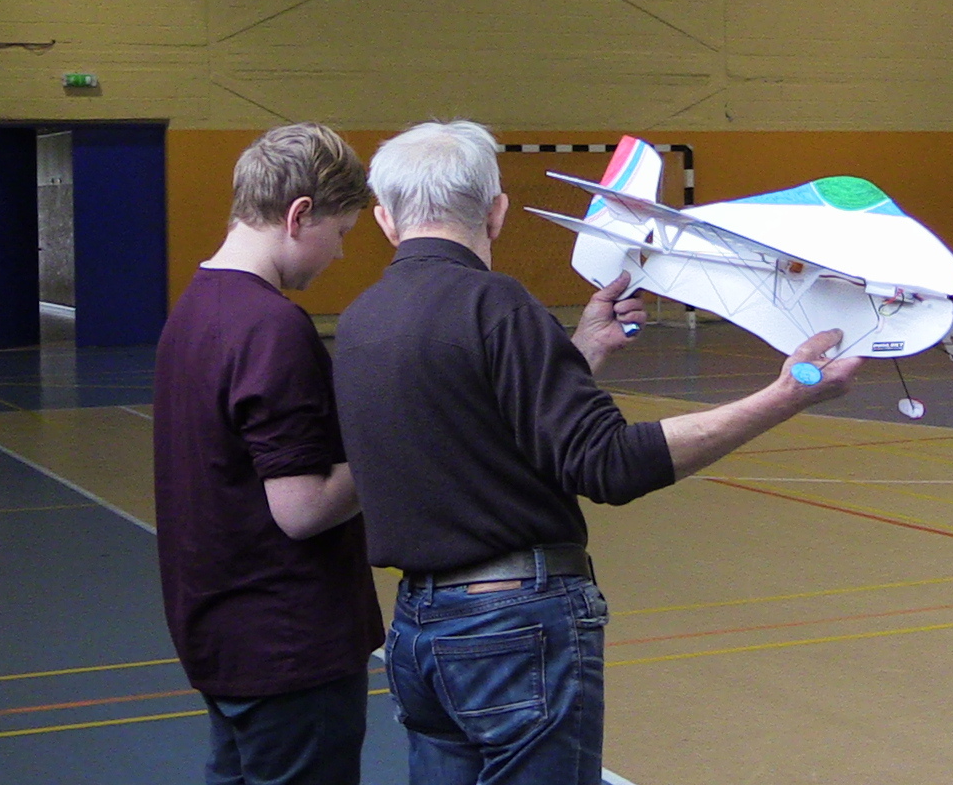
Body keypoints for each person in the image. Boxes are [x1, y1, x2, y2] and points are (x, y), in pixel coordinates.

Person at [331, 119, 860, 785]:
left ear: (385, 219)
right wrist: (788, 393)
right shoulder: (496, 303)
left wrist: (578, 351)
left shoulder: (361, 320)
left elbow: (471, 428)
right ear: (496, 212)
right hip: (514, 627)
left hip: (417, 632)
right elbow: (609, 465)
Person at [153, 123, 385, 785]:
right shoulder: (272, 326)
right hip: (289, 648)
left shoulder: (192, 310)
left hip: (222, 635)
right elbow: (302, 508)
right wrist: (395, 447)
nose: (340, 252)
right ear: (299, 214)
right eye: (340, 232)